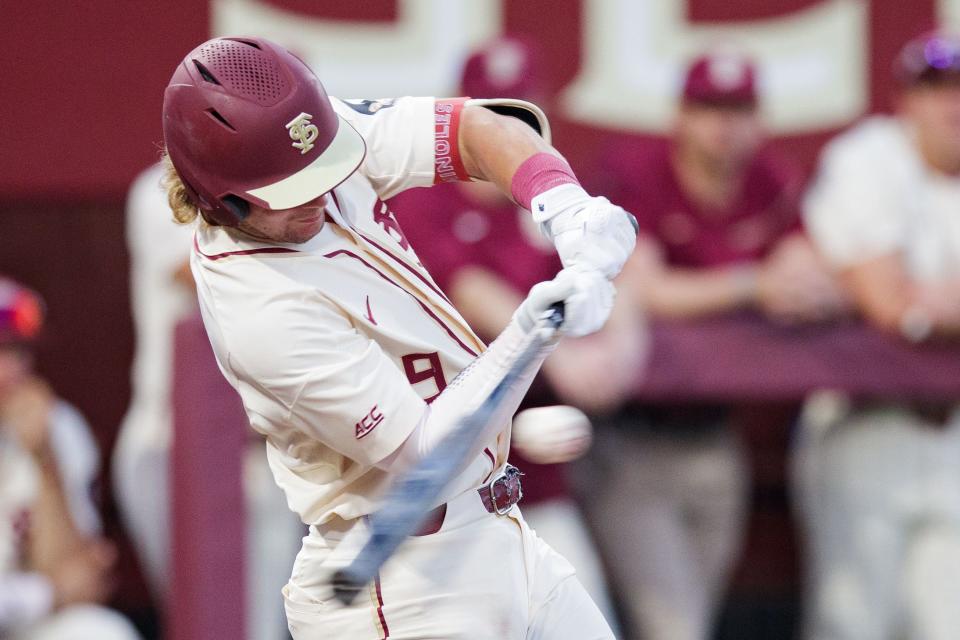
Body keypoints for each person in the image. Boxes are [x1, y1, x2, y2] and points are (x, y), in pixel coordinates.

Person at [160, 36, 636, 639]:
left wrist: (562, 204)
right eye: (285, 191)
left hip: (500, 528)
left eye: (319, 169)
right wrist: (534, 331)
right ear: (217, 196)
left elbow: (471, 129)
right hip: (407, 587)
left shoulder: (311, 140)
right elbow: (424, 453)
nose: (313, 195)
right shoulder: (258, 312)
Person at [587, 49, 845, 640]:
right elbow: (642, 288)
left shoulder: (769, 178)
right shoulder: (637, 171)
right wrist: (753, 284)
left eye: (738, 109)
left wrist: (798, 283)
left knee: (696, 616)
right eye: (709, 108)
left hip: (716, 438)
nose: (724, 125)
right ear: (681, 115)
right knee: (672, 625)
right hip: (628, 437)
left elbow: (815, 271)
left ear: (760, 118)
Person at [391, 37, 643, 631]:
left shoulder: (551, 204)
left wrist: (616, 351)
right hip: (434, 487)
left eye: (518, 112)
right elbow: (469, 288)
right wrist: (558, 350)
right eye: (491, 111)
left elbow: (620, 270)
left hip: (533, 478)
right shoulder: (422, 202)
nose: (504, 128)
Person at [797, 29, 960, 640]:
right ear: (907, 101)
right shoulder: (870, 156)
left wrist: (933, 301)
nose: (953, 105)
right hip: (866, 424)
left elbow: (912, 302)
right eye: (937, 89)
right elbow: (893, 305)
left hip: (953, 438)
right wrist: (916, 301)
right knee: (853, 622)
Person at [113, 163, 304, 640]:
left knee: (266, 627)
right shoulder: (163, 184)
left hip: (269, 450)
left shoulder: (296, 186)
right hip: (172, 444)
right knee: (205, 624)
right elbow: (205, 275)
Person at [0, 277, 141, 640]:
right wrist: (49, 593)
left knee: (100, 632)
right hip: (26, 602)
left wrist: (43, 457)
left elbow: (79, 576)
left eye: (18, 351)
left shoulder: (54, 423)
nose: (11, 370)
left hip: (26, 613)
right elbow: (61, 586)